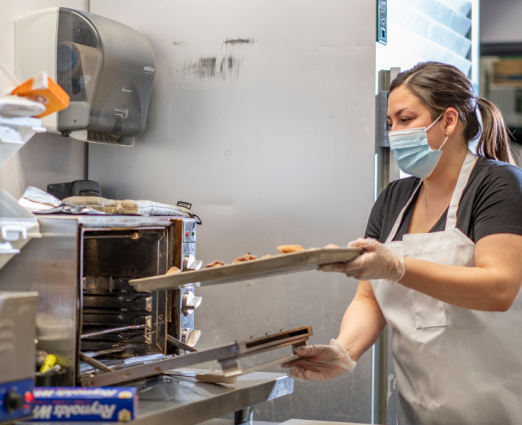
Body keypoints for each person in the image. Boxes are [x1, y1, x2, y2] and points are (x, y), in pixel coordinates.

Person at [282, 62, 522, 424]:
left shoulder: (498, 186)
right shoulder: (394, 199)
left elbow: (499, 288)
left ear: (449, 121)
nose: (395, 133)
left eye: (406, 119)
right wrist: (345, 351)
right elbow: (369, 298)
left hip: (500, 408)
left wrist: (397, 267)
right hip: (420, 410)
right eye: (390, 123)